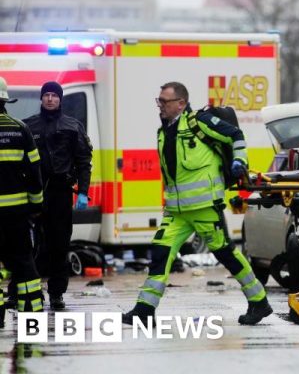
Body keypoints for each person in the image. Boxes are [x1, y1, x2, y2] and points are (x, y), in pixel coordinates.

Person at [122, 81, 271, 326]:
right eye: (158, 101)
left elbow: (235, 135)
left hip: (204, 208)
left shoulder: (198, 123)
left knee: (226, 254)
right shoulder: (164, 131)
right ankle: (144, 310)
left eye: (164, 101)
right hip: (177, 213)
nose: (160, 106)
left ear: (180, 103)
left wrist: (240, 161)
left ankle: (259, 301)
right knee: (160, 252)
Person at [22, 81, 92, 311]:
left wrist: (83, 192)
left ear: (60, 99)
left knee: (59, 245)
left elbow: (84, 162)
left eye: (54, 95)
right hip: (34, 193)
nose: (50, 99)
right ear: (41, 99)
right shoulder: (29, 126)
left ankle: (56, 294)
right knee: (30, 246)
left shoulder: (73, 126)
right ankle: (26, 292)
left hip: (61, 193)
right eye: (47, 95)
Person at [0, 76, 45, 324]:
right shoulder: (20, 129)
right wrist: (36, 205)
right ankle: (32, 309)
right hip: (17, 213)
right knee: (24, 261)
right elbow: (35, 172)